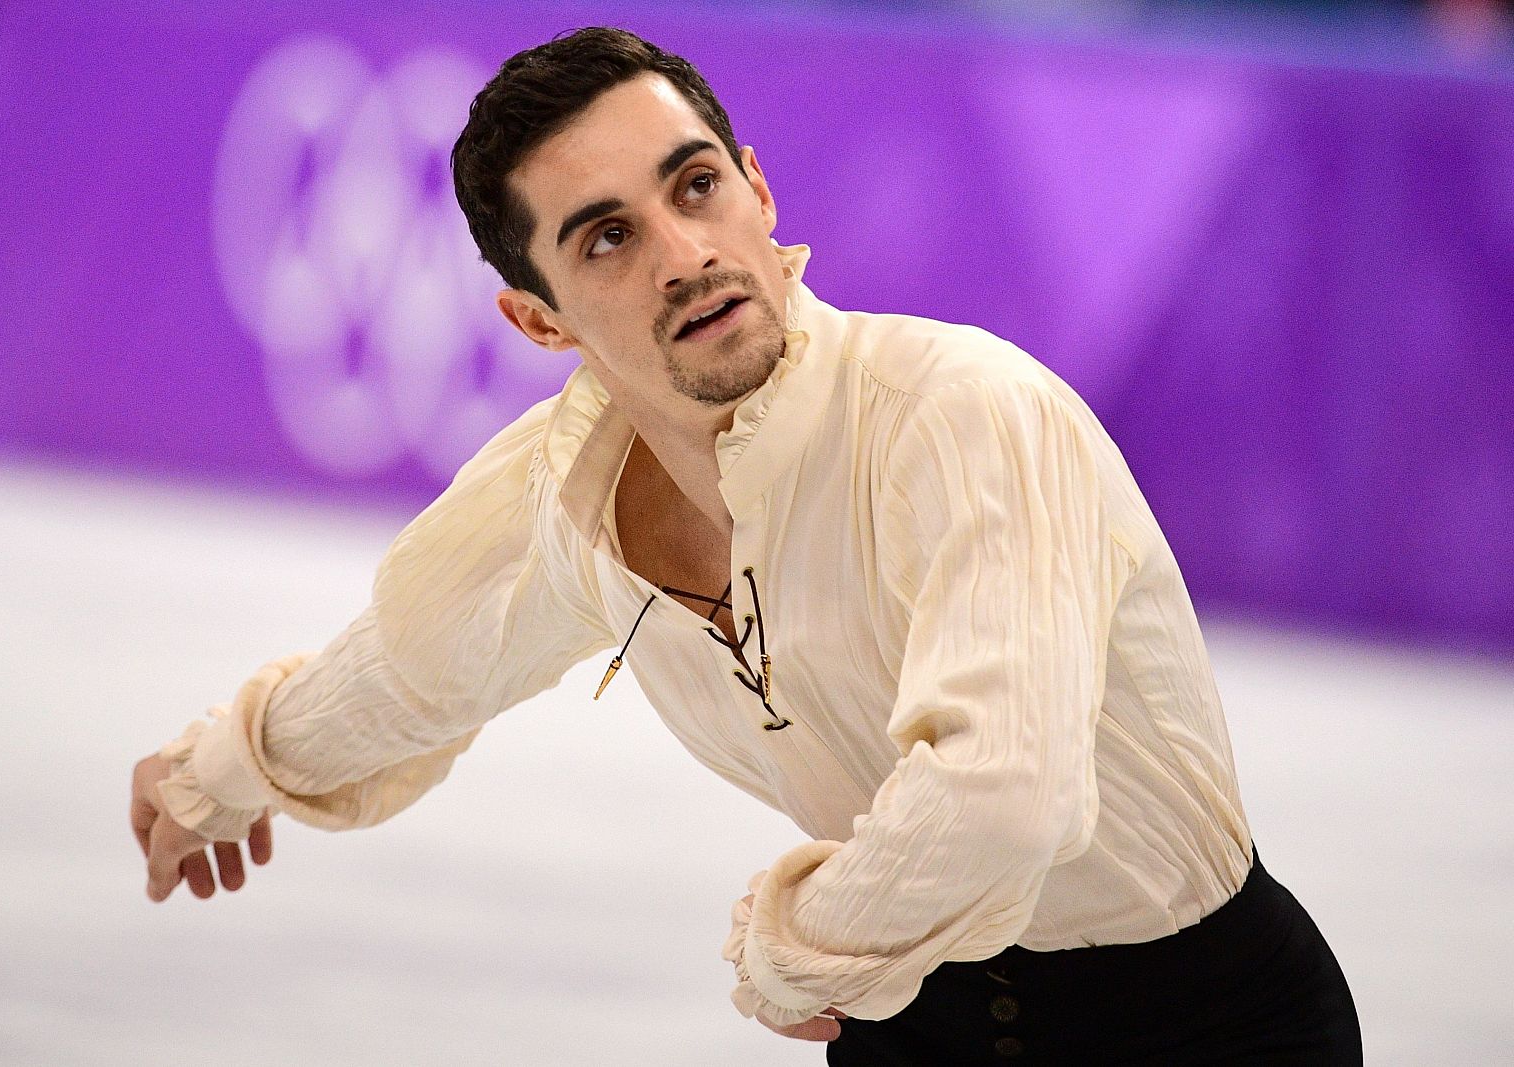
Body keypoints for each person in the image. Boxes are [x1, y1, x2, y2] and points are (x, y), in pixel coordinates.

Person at [129, 26, 1363, 1063]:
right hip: (915, 1021)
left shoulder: (960, 413)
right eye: (606, 237)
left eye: (694, 186)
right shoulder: (567, 494)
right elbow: (409, 667)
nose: (686, 255)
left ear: (757, 190)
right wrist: (215, 772)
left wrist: (795, 949)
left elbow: (1001, 795)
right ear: (538, 318)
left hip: (1207, 1023)